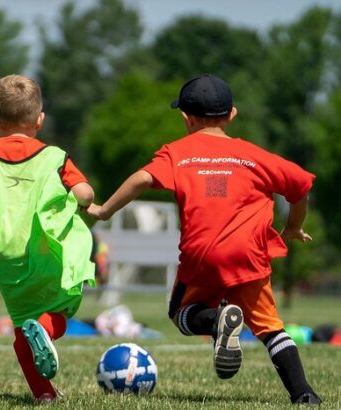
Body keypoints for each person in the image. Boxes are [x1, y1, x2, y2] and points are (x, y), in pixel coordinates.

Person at [87, 74, 321, 405]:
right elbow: (301, 186)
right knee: (272, 330)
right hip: (249, 256)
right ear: (232, 115)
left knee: (180, 313)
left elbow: (141, 178)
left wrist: (106, 210)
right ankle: (304, 394)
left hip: (201, 254)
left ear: (186, 118)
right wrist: (294, 226)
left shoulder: (178, 153)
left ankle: (215, 321)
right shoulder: (252, 155)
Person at [0, 74, 95, 403]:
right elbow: (85, 193)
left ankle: (44, 394)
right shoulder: (55, 157)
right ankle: (46, 328)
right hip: (47, 250)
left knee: (21, 326)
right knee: (60, 309)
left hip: (5, 257)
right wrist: (85, 203)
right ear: (39, 120)